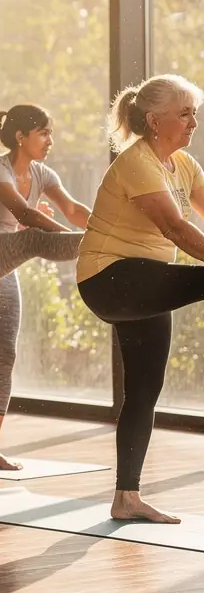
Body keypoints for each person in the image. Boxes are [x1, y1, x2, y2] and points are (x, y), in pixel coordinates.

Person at [77, 74, 204, 524]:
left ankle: (126, 498)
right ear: (154, 120)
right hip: (111, 278)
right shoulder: (136, 162)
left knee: (144, 392)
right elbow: (175, 229)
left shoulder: (183, 166)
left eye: (194, 112)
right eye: (184, 113)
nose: (193, 121)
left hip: (147, 285)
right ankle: (127, 497)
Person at [0, 104, 90, 470]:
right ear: (21, 137)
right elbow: (26, 216)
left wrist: (105, 226)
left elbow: (71, 209)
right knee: (32, 238)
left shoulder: (42, 173)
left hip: (1, 261)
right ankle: (100, 251)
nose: (50, 140)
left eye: (50, 132)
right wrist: (92, 242)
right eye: (43, 133)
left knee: (5, 356)